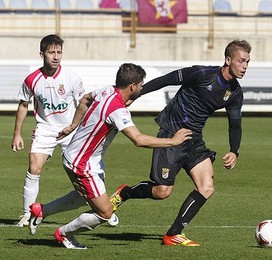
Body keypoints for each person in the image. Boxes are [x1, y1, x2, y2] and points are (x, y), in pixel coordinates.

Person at [29, 63, 192, 249]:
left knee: (85, 197)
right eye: (140, 85)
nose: (141, 88)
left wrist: (73, 126)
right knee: (105, 212)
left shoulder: (107, 90)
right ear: (132, 86)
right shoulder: (117, 110)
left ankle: (41, 210)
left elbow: (84, 99)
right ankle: (64, 234)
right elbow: (138, 139)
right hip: (82, 164)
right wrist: (174, 141)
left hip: (83, 157)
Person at [110, 39, 252, 246]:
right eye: (242, 61)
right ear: (228, 59)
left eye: (248, 62)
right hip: (171, 134)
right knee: (162, 192)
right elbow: (166, 79)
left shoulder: (235, 93)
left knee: (207, 186)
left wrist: (234, 151)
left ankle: (174, 234)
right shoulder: (201, 74)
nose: (245, 66)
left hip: (194, 139)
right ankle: (125, 193)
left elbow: (235, 124)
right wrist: (136, 96)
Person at [11, 34, 86, 227]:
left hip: (70, 130)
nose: (56, 56)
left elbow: (83, 105)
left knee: (81, 175)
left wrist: (80, 129)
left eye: (59, 52)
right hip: (45, 129)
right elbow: (23, 104)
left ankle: (98, 205)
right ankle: (28, 215)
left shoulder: (71, 78)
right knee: (34, 169)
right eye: (51, 52)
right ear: (42, 54)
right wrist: (17, 134)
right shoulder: (32, 80)